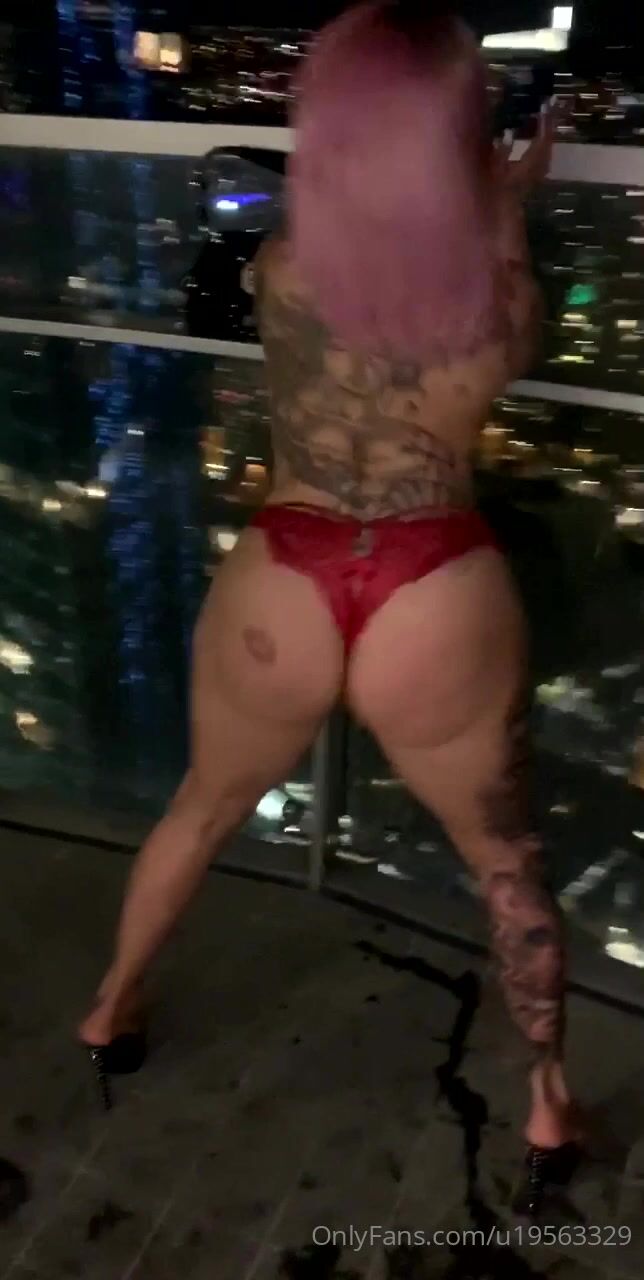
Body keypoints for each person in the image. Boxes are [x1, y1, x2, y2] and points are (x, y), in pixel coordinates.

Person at [79, 0, 580, 1214]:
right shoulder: (493, 295)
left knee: (200, 807)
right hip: (434, 585)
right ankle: (547, 1102)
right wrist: (505, 200)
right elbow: (508, 337)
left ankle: (109, 1007)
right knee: (504, 863)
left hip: (283, 572)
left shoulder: (283, 269)